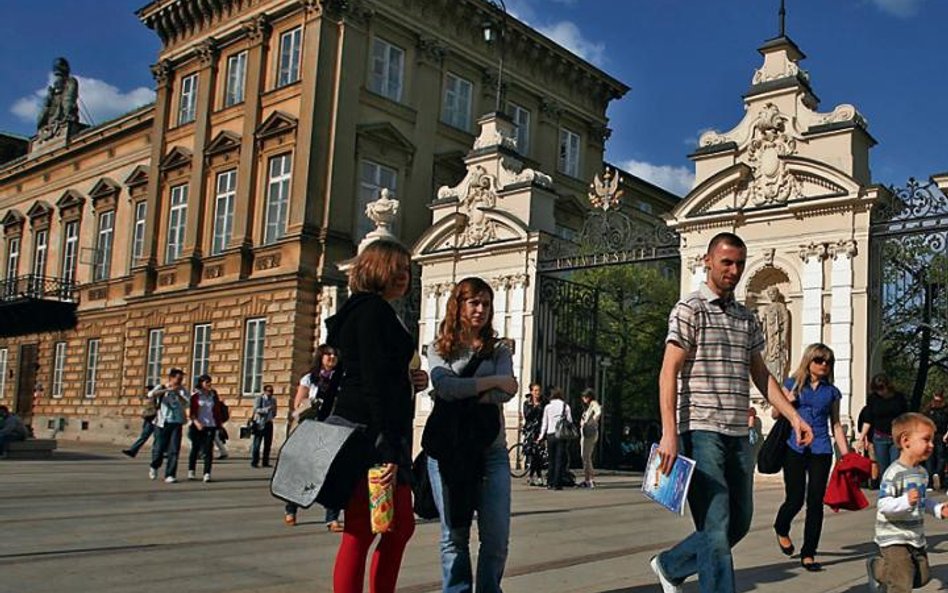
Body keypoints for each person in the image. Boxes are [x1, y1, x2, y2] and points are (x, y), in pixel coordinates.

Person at [650, 232, 813, 593]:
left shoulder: (745, 317)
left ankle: (670, 564)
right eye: (726, 262)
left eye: (739, 263)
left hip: (738, 433)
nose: (734, 270)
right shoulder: (689, 309)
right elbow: (668, 371)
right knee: (716, 524)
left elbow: (761, 374)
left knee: (738, 522)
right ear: (708, 261)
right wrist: (669, 432)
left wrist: (793, 416)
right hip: (700, 430)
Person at [326, 240, 429, 593]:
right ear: (375, 269)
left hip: (377, 434)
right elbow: (370, 379)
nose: (404, 276)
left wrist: (412, 378)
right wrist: (384, 441)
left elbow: (379, 372)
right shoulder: (372, 312)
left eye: (407, 270)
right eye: (397, 268)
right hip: (371, 437)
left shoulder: (369, 310)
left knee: (389, 526)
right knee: (368, 528)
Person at [425, 277, 518, 593]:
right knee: (454, 534)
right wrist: (489, 384)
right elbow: (444, 386)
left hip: (492, 452)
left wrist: (465, 392)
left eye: (486, 304)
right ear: (458, 305)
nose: (481, 310)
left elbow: (509, 391)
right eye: (474, 302)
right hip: (449, 451)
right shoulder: (438, 348)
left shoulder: (499, 349)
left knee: (496, 536)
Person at [772, 343, 850, 571]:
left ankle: (808, 553)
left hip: (821, 449)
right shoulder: (791, 383)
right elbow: (776, 414)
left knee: (815, 503)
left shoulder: (832, 392)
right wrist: (788, 399)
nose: (824, 365)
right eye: (819, 360)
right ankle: (781, 526)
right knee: (794, 498)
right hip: (794, 447)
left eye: (828, 362)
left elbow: (835, 425)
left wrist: (847, 456)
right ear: (809, 361)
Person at [866, 413, 948, 593]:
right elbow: (884, 505)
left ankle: (878, 568)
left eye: (932, 440)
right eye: (926, 440)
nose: (931, 445)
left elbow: (922, 501)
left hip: (914, 534)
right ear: (905, 441)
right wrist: (905, 501)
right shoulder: (893, 473)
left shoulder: (921, 472)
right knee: (902, 582)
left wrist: (938, 509)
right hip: (893, 535)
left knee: (922, 576)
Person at [285, 345, 343, 530]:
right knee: (301, 471)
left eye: (335, 355)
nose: (332, 358)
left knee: (334, 473)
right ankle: (291, 510)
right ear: (321, 357)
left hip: (332, 428)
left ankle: (332, 518)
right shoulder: (310, 378)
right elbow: (298, 405)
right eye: (328, 354)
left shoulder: (341, 379)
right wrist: (313, 404)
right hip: (310, 428)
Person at [859, 374, 909, 480]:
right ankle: (886, 492)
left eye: (881, 388)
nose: (880, 392)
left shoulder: (899, 398)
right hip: (879, 437)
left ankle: (897, 492)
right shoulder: (873, 398)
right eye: (877, 389)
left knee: (896, 466)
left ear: (888, 386)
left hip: (896, 437)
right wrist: (862, 437)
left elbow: (905, 417)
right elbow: (868, 419)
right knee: (883, 468)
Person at [148, 369, 190, 483]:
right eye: (178, 379)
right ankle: (154, 465)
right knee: (159, 449)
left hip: (176, 422)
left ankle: (170, 474)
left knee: (174, 449)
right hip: (162, 422)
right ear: (171, 378)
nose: (180, 381)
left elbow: (187, 403)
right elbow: (150, 394)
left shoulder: (183, 391)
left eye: (181, 379)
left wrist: (178, 394)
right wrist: (167, 390)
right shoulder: (162, 387)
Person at [187, 374, 225, 483]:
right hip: (198, 425)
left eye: (210, 382)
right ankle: (191, 470)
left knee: (208, 450)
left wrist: (220, 424)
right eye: (206, 382)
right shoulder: (196, 395)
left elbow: (217, 410)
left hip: (211, 425)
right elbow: (192, 412)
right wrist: (196, 422)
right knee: (195, 449)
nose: (209, 384)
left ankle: (207, 473)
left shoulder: (213, 394)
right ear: (201, 383)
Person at [539, 388, 572, 491]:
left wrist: (541, 436)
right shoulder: (565, 406)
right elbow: (569, 420)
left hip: (550, 434)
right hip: (561, 435)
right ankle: (557, 483)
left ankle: (550, 482)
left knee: (551, 459)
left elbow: (545, 422)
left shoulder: (548, 407)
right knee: (559, 459)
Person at [122, 385, 158, 458]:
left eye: (147, 390)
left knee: (156, 437)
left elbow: (154, 408)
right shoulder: (149, 398)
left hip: (155, 419)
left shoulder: (155, 398)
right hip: (149, 419)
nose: (146, 391)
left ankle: (159, 452)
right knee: (145, 436)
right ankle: (133, 451)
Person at [923, 390, 948, 490]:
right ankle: (935, 477)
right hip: (935, 435)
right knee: (936, 458)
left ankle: (933, 479)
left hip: (936, 435)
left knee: (934, 458)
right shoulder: (933, 408)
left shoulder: (931, 408)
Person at [522, 383, 545, 486]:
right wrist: (535, 407)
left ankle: (535, 477)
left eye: (538, 390)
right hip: (530, 431)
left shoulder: (543, 402)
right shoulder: (527, 403)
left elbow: (545, 416)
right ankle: (535, 476)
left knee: (538, 454)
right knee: (532, 453)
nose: (537, 393)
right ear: (531, 392)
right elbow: (527, 416)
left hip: (539, 431)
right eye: (535, 390)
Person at [251, 384, 278, 468]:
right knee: (257, 443)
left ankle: (265, 462)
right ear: (265, 391)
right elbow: (256, 409)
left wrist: (273, 414)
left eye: (272, 391)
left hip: (269, 422)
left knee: (268, 443)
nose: (270, 393)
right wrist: (267, 409)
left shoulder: (273, 400)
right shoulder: (260, 399)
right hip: (260, 423)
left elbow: (274, 410)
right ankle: (254, 462)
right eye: (269, 391)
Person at [579, 388, 602, 488]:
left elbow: (598, 412)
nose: (583, 399)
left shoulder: (593, 404)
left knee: (586, 456)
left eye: (585, 397)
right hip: (586, 433)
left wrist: (592, 421)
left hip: (589, 433)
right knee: (585, 456)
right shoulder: (588, 407)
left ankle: (590, 478)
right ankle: (587, 478)